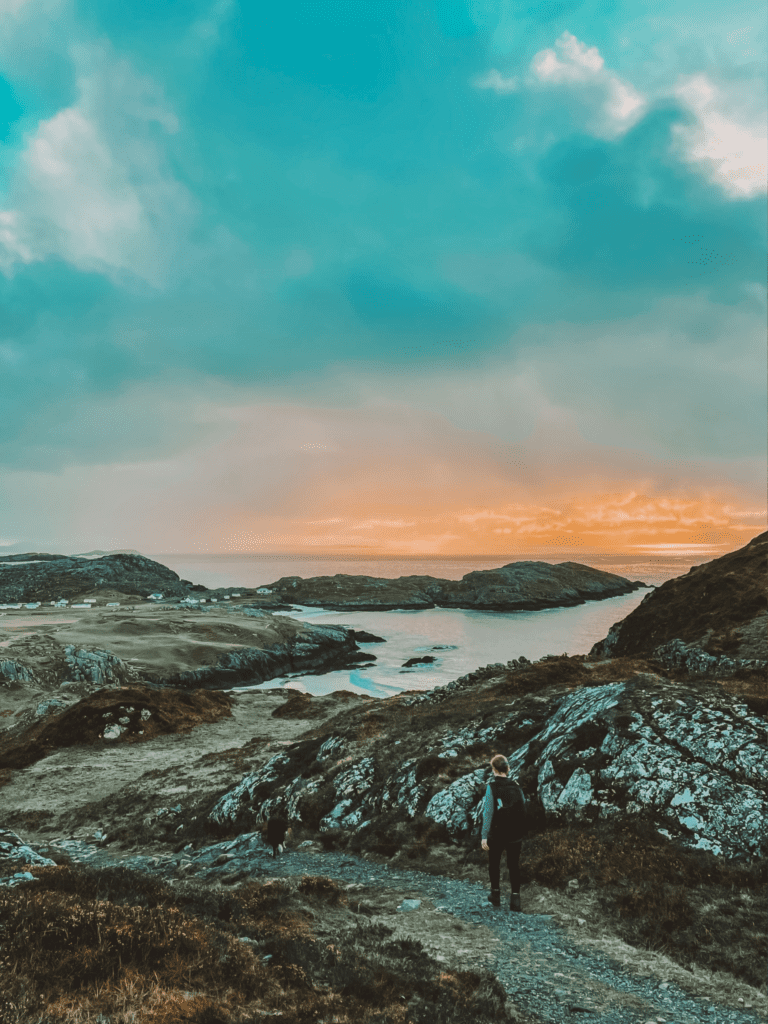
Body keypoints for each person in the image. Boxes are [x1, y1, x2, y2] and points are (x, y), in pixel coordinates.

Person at [481, 754, 527, 911]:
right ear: (507, 768)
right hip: (515, 834)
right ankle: (515, 900)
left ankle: (495, 895)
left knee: (494, 864)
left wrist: (484, 836)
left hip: (497, 833)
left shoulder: (492, 787)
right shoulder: (516, 786)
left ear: (493, 769)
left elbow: (488, 813)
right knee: (514, 865)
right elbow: (523, 809)